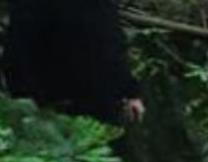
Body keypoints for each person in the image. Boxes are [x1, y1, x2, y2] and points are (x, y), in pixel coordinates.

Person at [2, 0, 144, 125]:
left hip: (39, 102)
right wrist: (128, 91)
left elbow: (16, 48)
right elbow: (105, 44)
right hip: (87, 101)